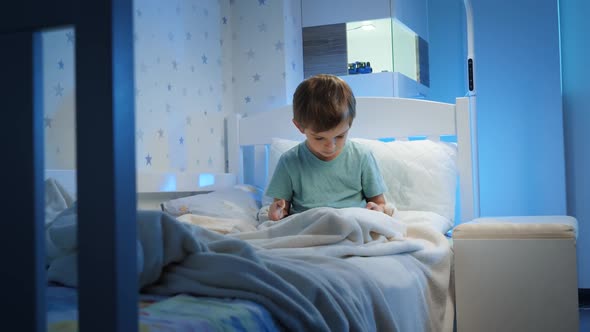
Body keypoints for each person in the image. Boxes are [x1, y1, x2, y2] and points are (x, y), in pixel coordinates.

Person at [266, 74, 394, 221]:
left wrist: (378, 209)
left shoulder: (362, 156)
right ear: (300, 127)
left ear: (350, 124)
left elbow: (379, 202)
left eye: (340, 136)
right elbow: (282, 208)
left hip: (353, 222)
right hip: (309, 225)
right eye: (319, 138)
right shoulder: (289, 162)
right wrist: (277, 213)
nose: (330, 146)